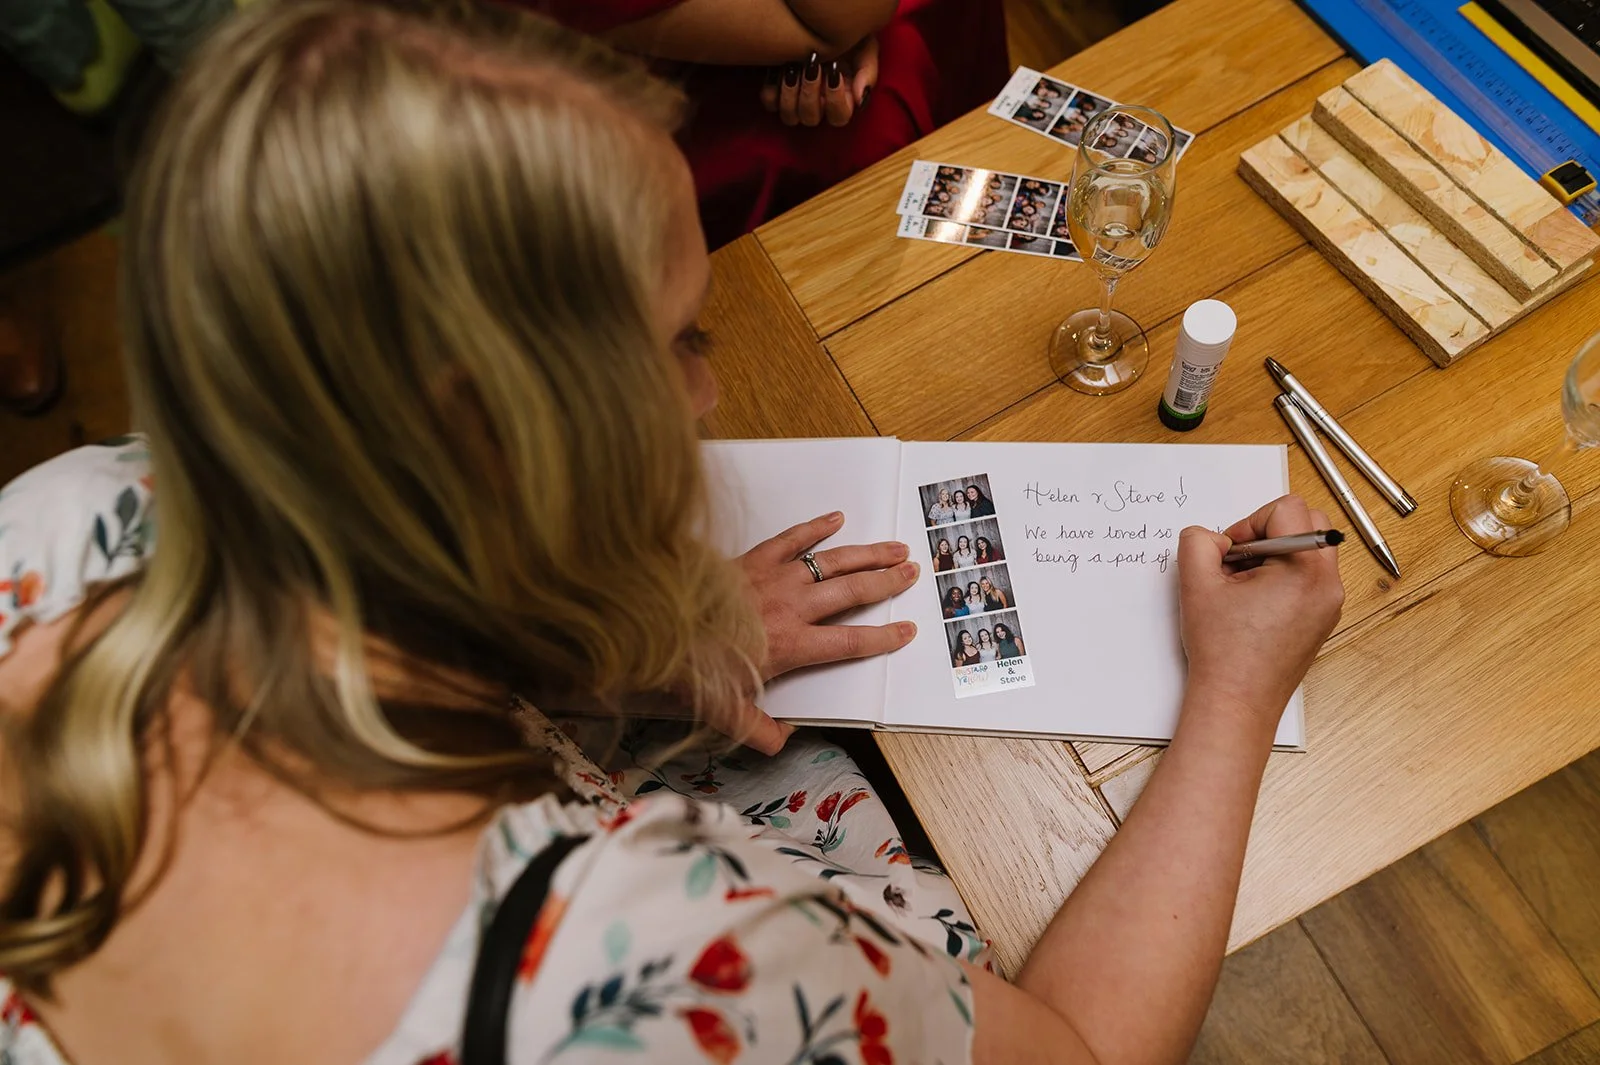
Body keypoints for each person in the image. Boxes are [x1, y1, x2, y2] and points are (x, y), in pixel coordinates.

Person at [0, 6, 1347, 1064]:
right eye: (681, 342)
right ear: (500, 433)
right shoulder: (654, 964)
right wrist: (1233, 691)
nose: (706, 396)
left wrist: (621, 661)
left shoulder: (62, 513)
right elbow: (1087, 1052)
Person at [519, 0, 1010, 247]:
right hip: (582, 74)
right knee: (851, 134)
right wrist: (817, 37)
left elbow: (840, 20)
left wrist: (816, 40)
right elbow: (837, 20)